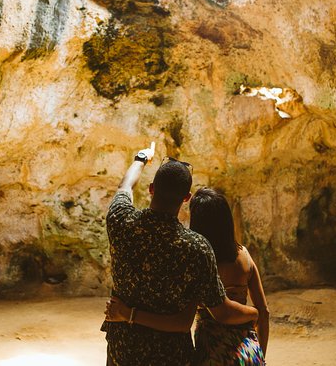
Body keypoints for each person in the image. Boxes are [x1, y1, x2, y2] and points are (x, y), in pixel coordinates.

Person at [101, 143, 258, 365]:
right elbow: (221, 312)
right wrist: (254, 312)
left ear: (152, 188)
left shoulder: (120, 221)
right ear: (186, 198)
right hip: (171, 357)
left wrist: (141, 158)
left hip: (122, 352)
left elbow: (124, 186)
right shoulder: (196, 249)